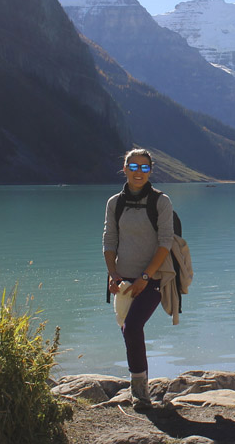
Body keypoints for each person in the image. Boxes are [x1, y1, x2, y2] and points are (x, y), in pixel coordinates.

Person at [102, 148, 173, 410]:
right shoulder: (114, 203)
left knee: (132, 327)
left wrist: (145, 276)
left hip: (153, 277)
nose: (138, 172)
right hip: (123, 277)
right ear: (125, 169)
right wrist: (113, 274)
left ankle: (139, 393)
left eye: (144, 167)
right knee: (127, 329)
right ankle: (140, 384)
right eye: (133, 167)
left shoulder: (160, 202)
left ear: (151, 171)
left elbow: (165, 242)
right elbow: (109, 240)